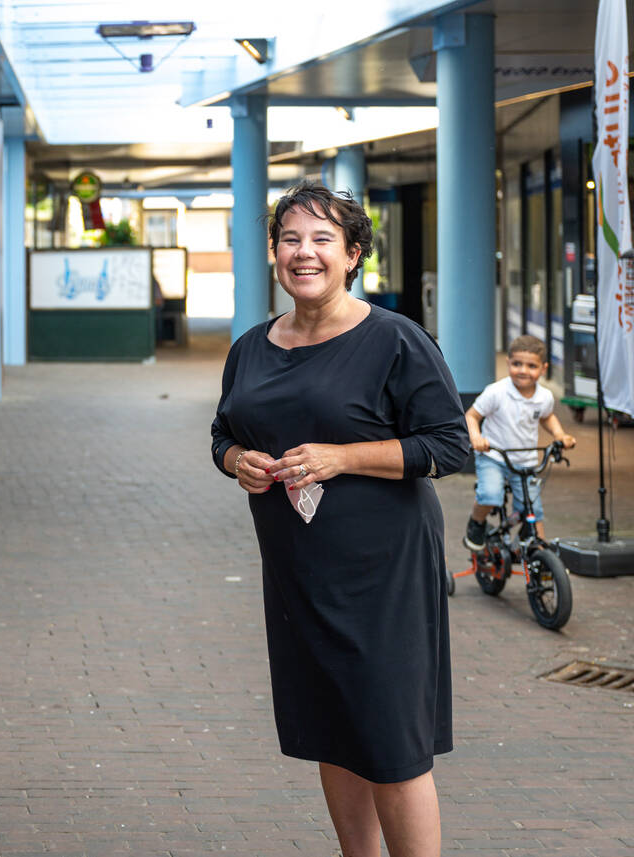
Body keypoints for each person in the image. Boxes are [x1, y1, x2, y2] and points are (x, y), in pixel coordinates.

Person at [210, 180, 469, 857]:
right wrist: (235, 456)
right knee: (334, 725)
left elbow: (447, 447)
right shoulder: (252, 346)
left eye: (323, 239)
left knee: (391, 740)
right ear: (274, 251)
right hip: (300, 573)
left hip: (385, 575)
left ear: (353, 254)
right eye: (291, 238)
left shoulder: (395, 339)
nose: (305, 252)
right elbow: (221, 432)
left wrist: (342, 457)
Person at [463, 335, 576, 547]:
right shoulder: (496, 392)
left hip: (525, 460)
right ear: (508, 363)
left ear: (544, 368)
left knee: (533, 507)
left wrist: (560, 435)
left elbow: (547, 416)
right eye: (517, 364)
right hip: (494, 456)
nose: (523, 370)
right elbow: (471, 416)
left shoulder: (544, 396)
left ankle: (540, 551)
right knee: (490, 495)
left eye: (531, 366)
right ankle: (476, 523)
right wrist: (477, 437)